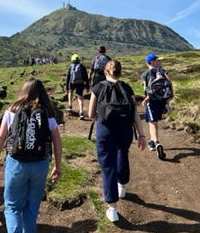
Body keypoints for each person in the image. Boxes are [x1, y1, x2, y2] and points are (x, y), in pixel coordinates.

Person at [0, 78, 62, 233]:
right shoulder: (47, 114)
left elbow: (1, 136)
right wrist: (57, 166)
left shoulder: (11, 111)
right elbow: (57, 142)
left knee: (12, 205)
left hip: (16, 163)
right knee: (32, 205)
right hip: (40, 164)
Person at [89, 60, 146, 222]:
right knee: (122, 153)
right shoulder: (127, 88)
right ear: (120, 73)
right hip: (125, 129)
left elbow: (91, 114)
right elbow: (134, 113)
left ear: (105, 72)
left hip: (105, 130)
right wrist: (141, 135)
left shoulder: (98, 87)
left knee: (108, 165)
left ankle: (112, 207)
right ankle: (122, 186)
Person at [141, 53, 174, 160]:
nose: (160, 62)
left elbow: (146, 87)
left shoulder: (145, 74)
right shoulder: (162, 70)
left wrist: (147, 97)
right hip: (162, 100)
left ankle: (156, 142)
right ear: (152, 62)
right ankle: (152, 141)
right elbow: (169, 81)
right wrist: (171, 94)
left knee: (152, 123)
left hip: (151, 101)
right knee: (155, 122)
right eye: (157, 60)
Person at [65, 54, 89, 120]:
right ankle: (81, 112)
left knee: (70, 92)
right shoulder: (82, 66)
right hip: (80, 83)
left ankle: (70, 105)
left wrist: (66, 87)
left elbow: (68, 77)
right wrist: (87, 86)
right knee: (80, 98)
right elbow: (86, 77)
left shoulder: (70, 66)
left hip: (72, 82)